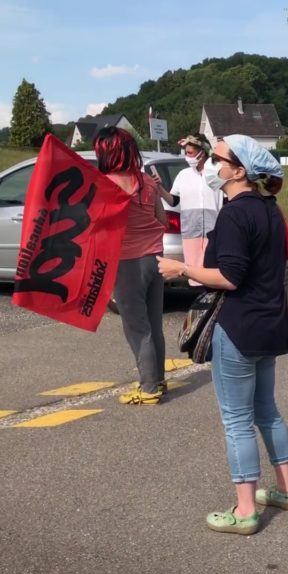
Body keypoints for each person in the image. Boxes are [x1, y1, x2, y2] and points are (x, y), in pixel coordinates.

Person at [157, 135, 288, 535]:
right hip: (268, 324)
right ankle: (287, 490)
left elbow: (229, 277)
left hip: (237, 326)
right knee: (266, 410)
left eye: (217, 159)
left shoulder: (236, 214)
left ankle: (244, 510)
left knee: (237, 419)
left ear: (240, 171)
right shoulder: (270, 210)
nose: (210, 165)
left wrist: (180, 270)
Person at [94, 127, 168, 406]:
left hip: (127, 261)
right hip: (156, 258)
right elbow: (161, 219)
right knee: (154, 324)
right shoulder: (147, 181)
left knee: (137, 326)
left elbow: (97, 225)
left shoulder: (105, 185)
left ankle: (148, 388)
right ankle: (159, 380)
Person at [159, 134, 223, 286]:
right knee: (194, 275)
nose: (186, 156)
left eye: (190, 153)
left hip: (214, 232)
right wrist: (159, 188)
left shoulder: (217, 173)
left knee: (213, 273)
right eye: (185, 152)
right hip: (191, 234)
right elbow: (173, 201)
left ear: (202, 152)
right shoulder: (183, 175)